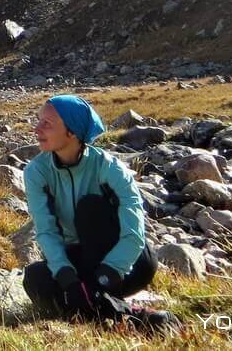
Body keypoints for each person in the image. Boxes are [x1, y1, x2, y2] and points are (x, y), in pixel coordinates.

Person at [22, 94, 181, 334]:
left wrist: (104, 277)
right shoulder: (37, 172)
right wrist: (66, 276)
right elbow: (46, 231)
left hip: (129, 263)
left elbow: (134, 233)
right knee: (35, 279)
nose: (37, 129)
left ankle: (92, 298)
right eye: (39, 121)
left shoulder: (110, 167)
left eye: (47, 124)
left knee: (90, 210)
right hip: (79, 262)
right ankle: (137, 318)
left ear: (72, 132)